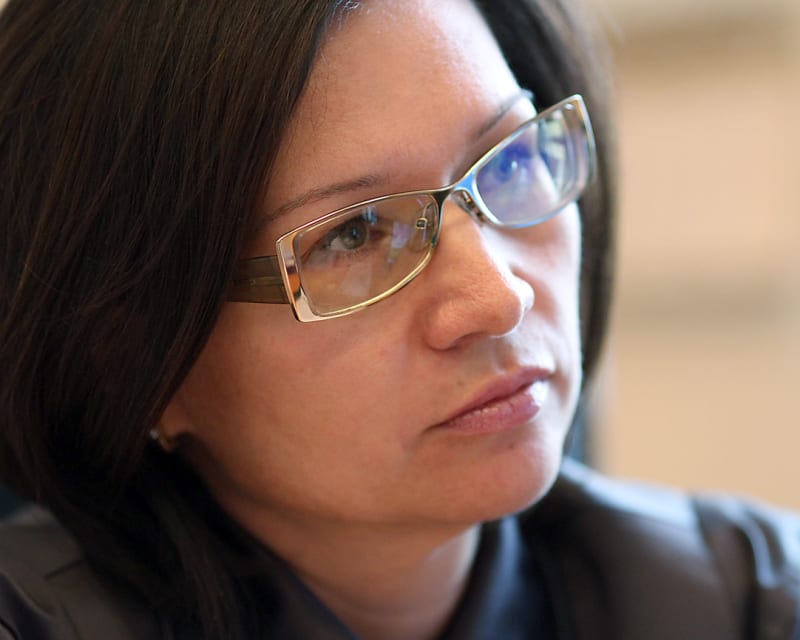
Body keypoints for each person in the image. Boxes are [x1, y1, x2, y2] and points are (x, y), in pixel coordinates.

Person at [0, 0, 798, 639]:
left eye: (512, 158)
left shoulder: (751, 603)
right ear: (132, 360)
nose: (500, 299)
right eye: (353, 235)